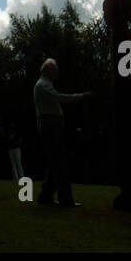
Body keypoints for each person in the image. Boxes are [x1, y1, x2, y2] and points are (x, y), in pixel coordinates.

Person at [32, 58, 92, 206]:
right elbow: (60, 98)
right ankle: (66, 199)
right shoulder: (43, 85)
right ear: (49, 71)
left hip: (51, 123)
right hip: (50, 123)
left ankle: (46, 195)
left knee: (55, 162)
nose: (57, 72)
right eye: (55, 69)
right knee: (59, 162)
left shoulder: (44, 84)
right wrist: (81, 96)